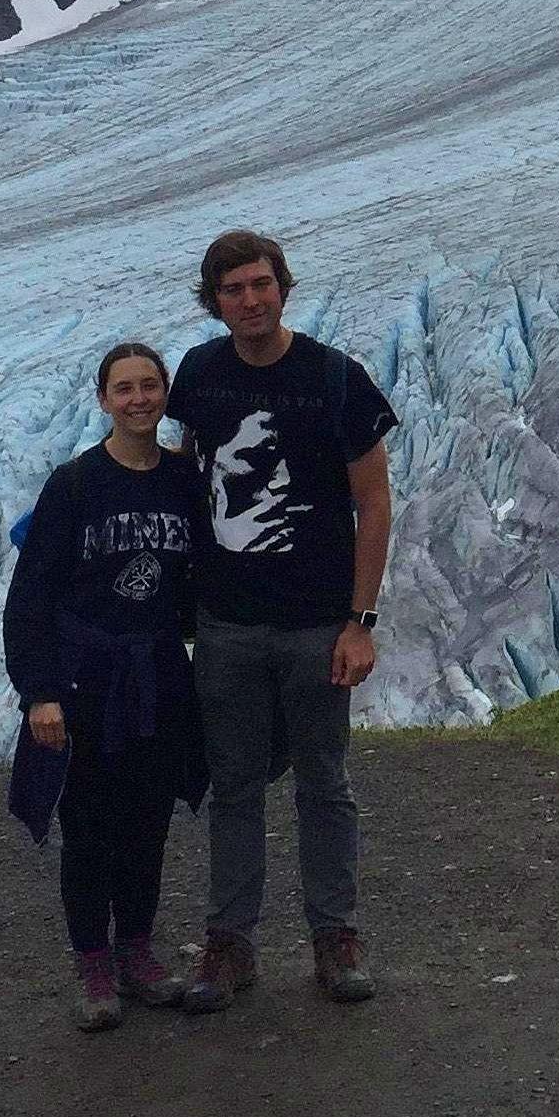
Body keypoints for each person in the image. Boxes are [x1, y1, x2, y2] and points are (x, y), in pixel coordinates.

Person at [167, 228, 397, 1010]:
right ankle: (229, 942)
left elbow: (373, 501)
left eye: (260, 283)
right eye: (233, 289)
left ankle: (334, 936)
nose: (250, 299)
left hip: (313, 623)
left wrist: (359, 620)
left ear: (282, 287)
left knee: (323, 782)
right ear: (215, 300)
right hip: (226, 622)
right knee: (232, 783)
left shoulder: (335, 378)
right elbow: (190, 470)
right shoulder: (198, 374)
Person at [3, 341, 211, 1032]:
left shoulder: (183, 481)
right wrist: (39, 691)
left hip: (156, 677)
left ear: (165, 393)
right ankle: (93, 961)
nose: (139, 399)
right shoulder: (74, 485)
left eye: (150, 385)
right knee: (88, 827)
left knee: (147, 823)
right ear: (102, 399)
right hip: (85, 681)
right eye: (124, 388)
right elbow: (30, 597)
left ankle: (138, 951)